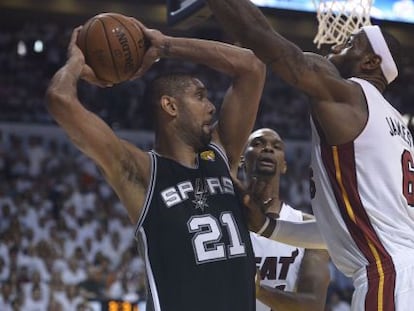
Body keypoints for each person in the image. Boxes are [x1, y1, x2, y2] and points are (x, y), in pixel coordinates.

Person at [206, 0, 414, 310]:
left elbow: (257, 34)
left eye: (350, 43)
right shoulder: (398, 125)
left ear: (369, 62)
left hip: (388, 277)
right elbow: (343, 229)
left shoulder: (348, 96)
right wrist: (268, 227)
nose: (339, 42)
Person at [45, 22, 266, 310]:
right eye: (200, 96)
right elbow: (59, 100)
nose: (212, 107)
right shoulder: (141, 172)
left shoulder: (221, 153)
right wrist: (75, 62)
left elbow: (252, 66)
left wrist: (165, 46)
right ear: (170, 106)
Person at [242, 128, 330, 311]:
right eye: (258, 144)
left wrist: (259, 291)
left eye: (276, 146)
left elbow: (313, 305)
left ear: (284, 165)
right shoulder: (223, 221)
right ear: (243, 160)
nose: (268, 148)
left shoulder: (307, 227)